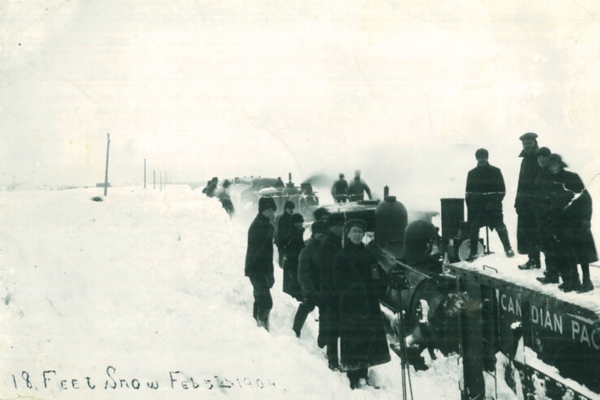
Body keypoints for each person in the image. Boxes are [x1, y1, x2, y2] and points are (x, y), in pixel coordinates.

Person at [333, 218, 391, 389]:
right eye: (354, 231)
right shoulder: (340, 256)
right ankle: (353, 375)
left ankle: (364, 373)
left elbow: (377, 274)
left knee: (366, 337)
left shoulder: (369, 255)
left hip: (368, 304)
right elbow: (338, 282)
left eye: (360, 232)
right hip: (351, 306)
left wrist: (390, 279)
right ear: (348, 233)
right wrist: (358, 287)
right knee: (353, 338)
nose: (357, 235)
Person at [543, 154, 597, 293]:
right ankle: (573, 281)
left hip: (577, 221)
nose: (554, 167)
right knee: (566, 253)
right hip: (560, 222)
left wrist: (585, 219)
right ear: (547, 167)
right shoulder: (549, 180)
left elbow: (586, 198)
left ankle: (587, 281)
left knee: (582, 252)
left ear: (561, 164)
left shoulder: (572, 177)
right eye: (550, 165)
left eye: (556, 164)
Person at [465, 148, 514, 262]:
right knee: (473, 228)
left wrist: (492, 203)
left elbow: (502, 191)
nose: (481, 159)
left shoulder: (496, 171)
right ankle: (473, 253)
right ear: (476, 158)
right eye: (479, 156)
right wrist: (472, 208)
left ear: (487, 157)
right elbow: (468, 194)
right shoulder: (471, 173)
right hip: (478, 210)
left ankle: (508, 249)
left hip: (493, 208)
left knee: (500, 226)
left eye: (484, 156)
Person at [316, 212, 345, 371]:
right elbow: (329, 272)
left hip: (333, 291)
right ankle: (333, 362)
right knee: (333, 327)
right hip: (331, 292)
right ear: (331, 227)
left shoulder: (335, 242)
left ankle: (334, 358)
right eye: (338, 226)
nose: (341, 229)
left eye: (342, 226)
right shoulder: (328, 245)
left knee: (335, 326)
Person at [244, 196, 277, 331]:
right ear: (262, 210)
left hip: (259, 269)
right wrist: (265, 274)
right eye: (268, 210)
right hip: (257, 269)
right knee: (266, 302)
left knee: (260, 300)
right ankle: (262, 328)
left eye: (273, 210)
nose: (272, 213)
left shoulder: (264, 224)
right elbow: (259, 254)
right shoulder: (259, 227)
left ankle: (258, 328)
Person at [294, 220, 328, 338]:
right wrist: (311, 292)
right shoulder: (307, 250)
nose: (322, 236)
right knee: (307, 304)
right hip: (312, 288)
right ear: (313, 233)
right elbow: (302, 275)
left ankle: (323, 341)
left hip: (326, 289)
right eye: (320, 233)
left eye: (325, 233)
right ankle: (295, 331)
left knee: (327, 316)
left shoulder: (329, 249)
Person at [515, 133, 544, 270]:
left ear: (534, 142)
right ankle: (533, 260)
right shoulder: (524, 160)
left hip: (538, 203)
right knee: (528, 232)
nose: (527, 145)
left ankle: (553, 267)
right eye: (524, 143)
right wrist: (517, 201)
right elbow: (520, 183)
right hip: (524, 203)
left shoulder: (540, 158)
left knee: (542, 233)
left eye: (529, 142)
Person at [281, 213, 305, 301]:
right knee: (294, 286)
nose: (300, 224)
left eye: (301, 222)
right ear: (293, 223)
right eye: (297, 222)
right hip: (293, 263)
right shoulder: (292, 235)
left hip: (297, 262)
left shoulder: (299, 232)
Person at [275, 201, 295, 267]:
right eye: (290, 209)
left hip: (290, 243)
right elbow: (279, 234)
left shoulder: (292, 218)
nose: (291, 210)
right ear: (285, 209)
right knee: (283, 263)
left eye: (292, 209)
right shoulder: (282, 219)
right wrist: (281, 246)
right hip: (283, 243)